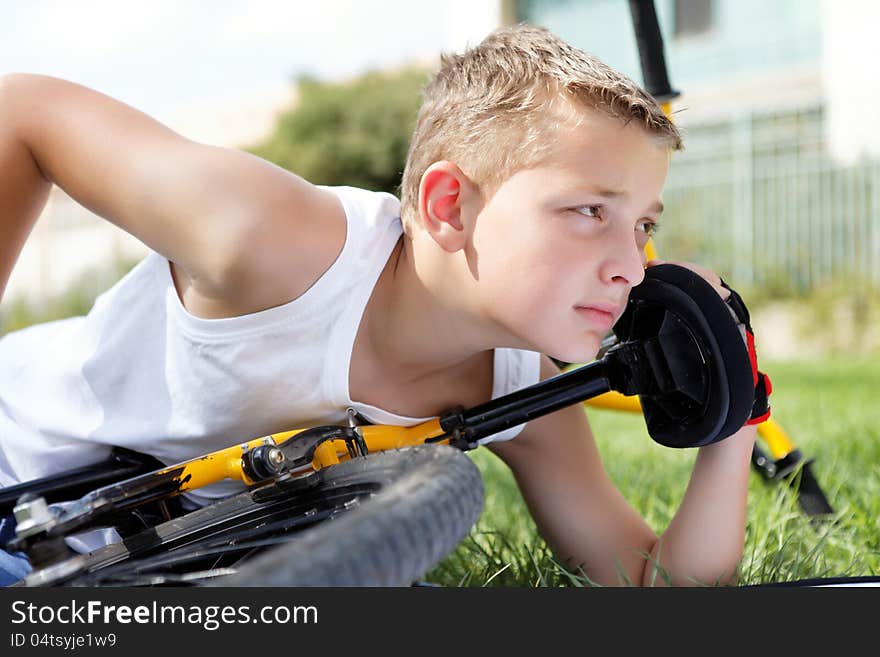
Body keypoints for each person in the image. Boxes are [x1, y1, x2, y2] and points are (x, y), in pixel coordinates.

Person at [0, 24, 765, 587]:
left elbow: (652, 586)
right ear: (448, 205)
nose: (631, 267)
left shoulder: (522, 391)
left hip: (122, 568)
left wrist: (733, 408)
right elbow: (24, 112)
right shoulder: (274, 240)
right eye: (590, 212)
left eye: (643, 226)